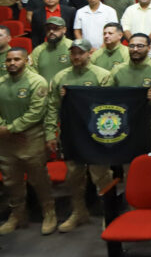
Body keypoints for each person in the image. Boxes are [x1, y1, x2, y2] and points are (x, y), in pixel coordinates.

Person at [44, 38, 113, 232]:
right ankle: (79, 212)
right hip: (71, 133)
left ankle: (109, 213)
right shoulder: (60, 77)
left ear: (89, 53)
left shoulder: (103, 76)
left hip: (97, 134)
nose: (76, 56)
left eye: (80, 52)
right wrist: (50, 132)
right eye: (73, 53)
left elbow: (109, 107)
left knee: (101, 175)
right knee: (74, 175)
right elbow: (51, 107)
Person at [0, 47, 56, 235]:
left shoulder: (36, 82)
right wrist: (1, 126)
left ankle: (49, 212)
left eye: (17, 59)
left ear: (26, 61)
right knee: (10, 180)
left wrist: (11, 128)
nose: (12, 63)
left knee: (39, 178)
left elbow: (36, 112)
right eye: (9, 60)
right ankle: (17, 214)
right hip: (6, 142)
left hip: (31, 138)